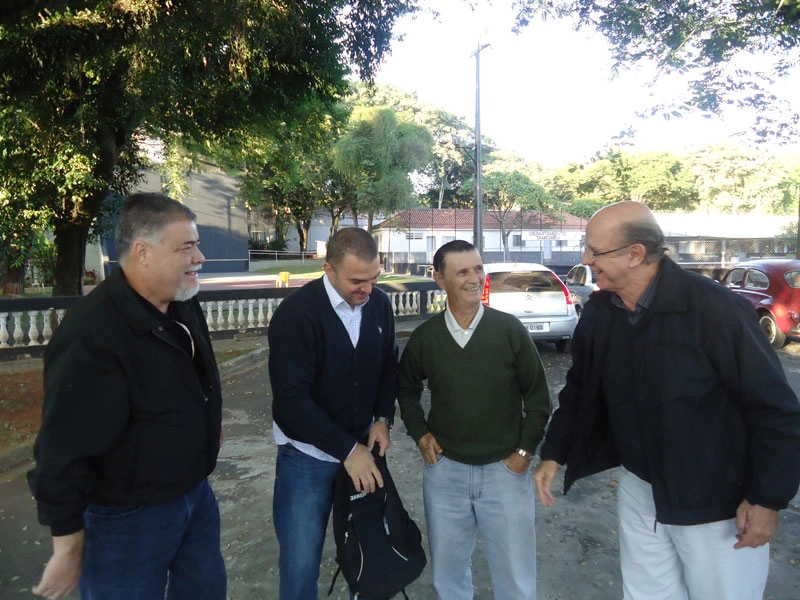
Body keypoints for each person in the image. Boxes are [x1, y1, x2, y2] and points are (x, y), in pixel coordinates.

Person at [534, 201, 800, 600]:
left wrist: (766, 499)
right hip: (640, 488)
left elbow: (776, 410)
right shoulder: (601, 311)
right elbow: (580, 388)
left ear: (635, 254)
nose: (585, 259)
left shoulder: (715, 311)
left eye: (594, 250)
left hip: (716, 502)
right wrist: (553, 452)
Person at [27, 192, 227, 600]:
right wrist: (68, 544)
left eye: (197, 245)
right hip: (126, 519)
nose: (200, 257)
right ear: (143, 253)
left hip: (195, 497)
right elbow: (62, 449)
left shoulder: (182, 301)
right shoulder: (92, 334)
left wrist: (209, 425)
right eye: (187, 247)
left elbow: (197, 378)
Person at [397, 240, 551, 600]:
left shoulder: (509, 330)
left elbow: (539, 397)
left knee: (516, 576)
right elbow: (405, 389)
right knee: (448, 576)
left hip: (505, 471)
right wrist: (420, 433)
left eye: (478, 269)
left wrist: (525, 451)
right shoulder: (425, 338)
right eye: (462, 271)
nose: (474, 278)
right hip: (445, 472)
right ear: (439, 279)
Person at [268, 227, 398, 599]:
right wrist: (348, 450)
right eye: (357, 281)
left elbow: (389, 365)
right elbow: (291, 405)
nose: (368, 290)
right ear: (328, 269)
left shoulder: (380, 305)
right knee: (300, 564)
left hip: (362, 452)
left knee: (367, 553)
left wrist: (383, 418)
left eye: (374, 278)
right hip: (306, 461)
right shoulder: (296, 315)